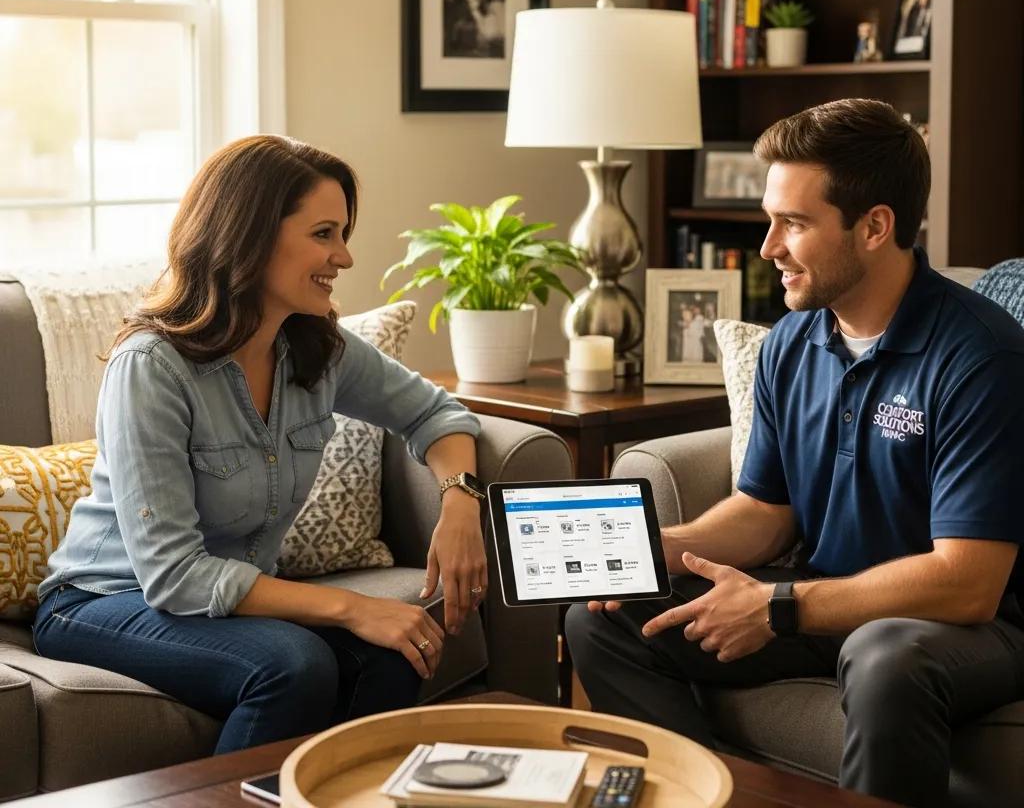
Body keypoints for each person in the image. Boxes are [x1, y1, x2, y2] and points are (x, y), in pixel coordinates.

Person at [566, 98, 1024, 808]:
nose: (767, 247)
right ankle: (711, 795)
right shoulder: (790, 341)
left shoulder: (981, 357)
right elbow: (765, 514)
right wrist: (661, 548)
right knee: (607, 616)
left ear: (875, 226)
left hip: (968, 626)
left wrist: (779, 607)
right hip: (823, 593)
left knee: (884, 660)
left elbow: (968, 582)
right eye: (770, 219)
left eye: (795, 224)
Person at [33, 136, 488, 753]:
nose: (345, 257)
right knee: (290, 663)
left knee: (399, 654)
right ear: (250, 235)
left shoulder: (319, 349)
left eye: (343, 233)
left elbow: (438, 413)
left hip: (226, 600)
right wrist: (351, 608)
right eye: (324, 233)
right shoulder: (152, 365)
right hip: (102, 602)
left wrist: (460, 505)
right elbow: (173, 575)